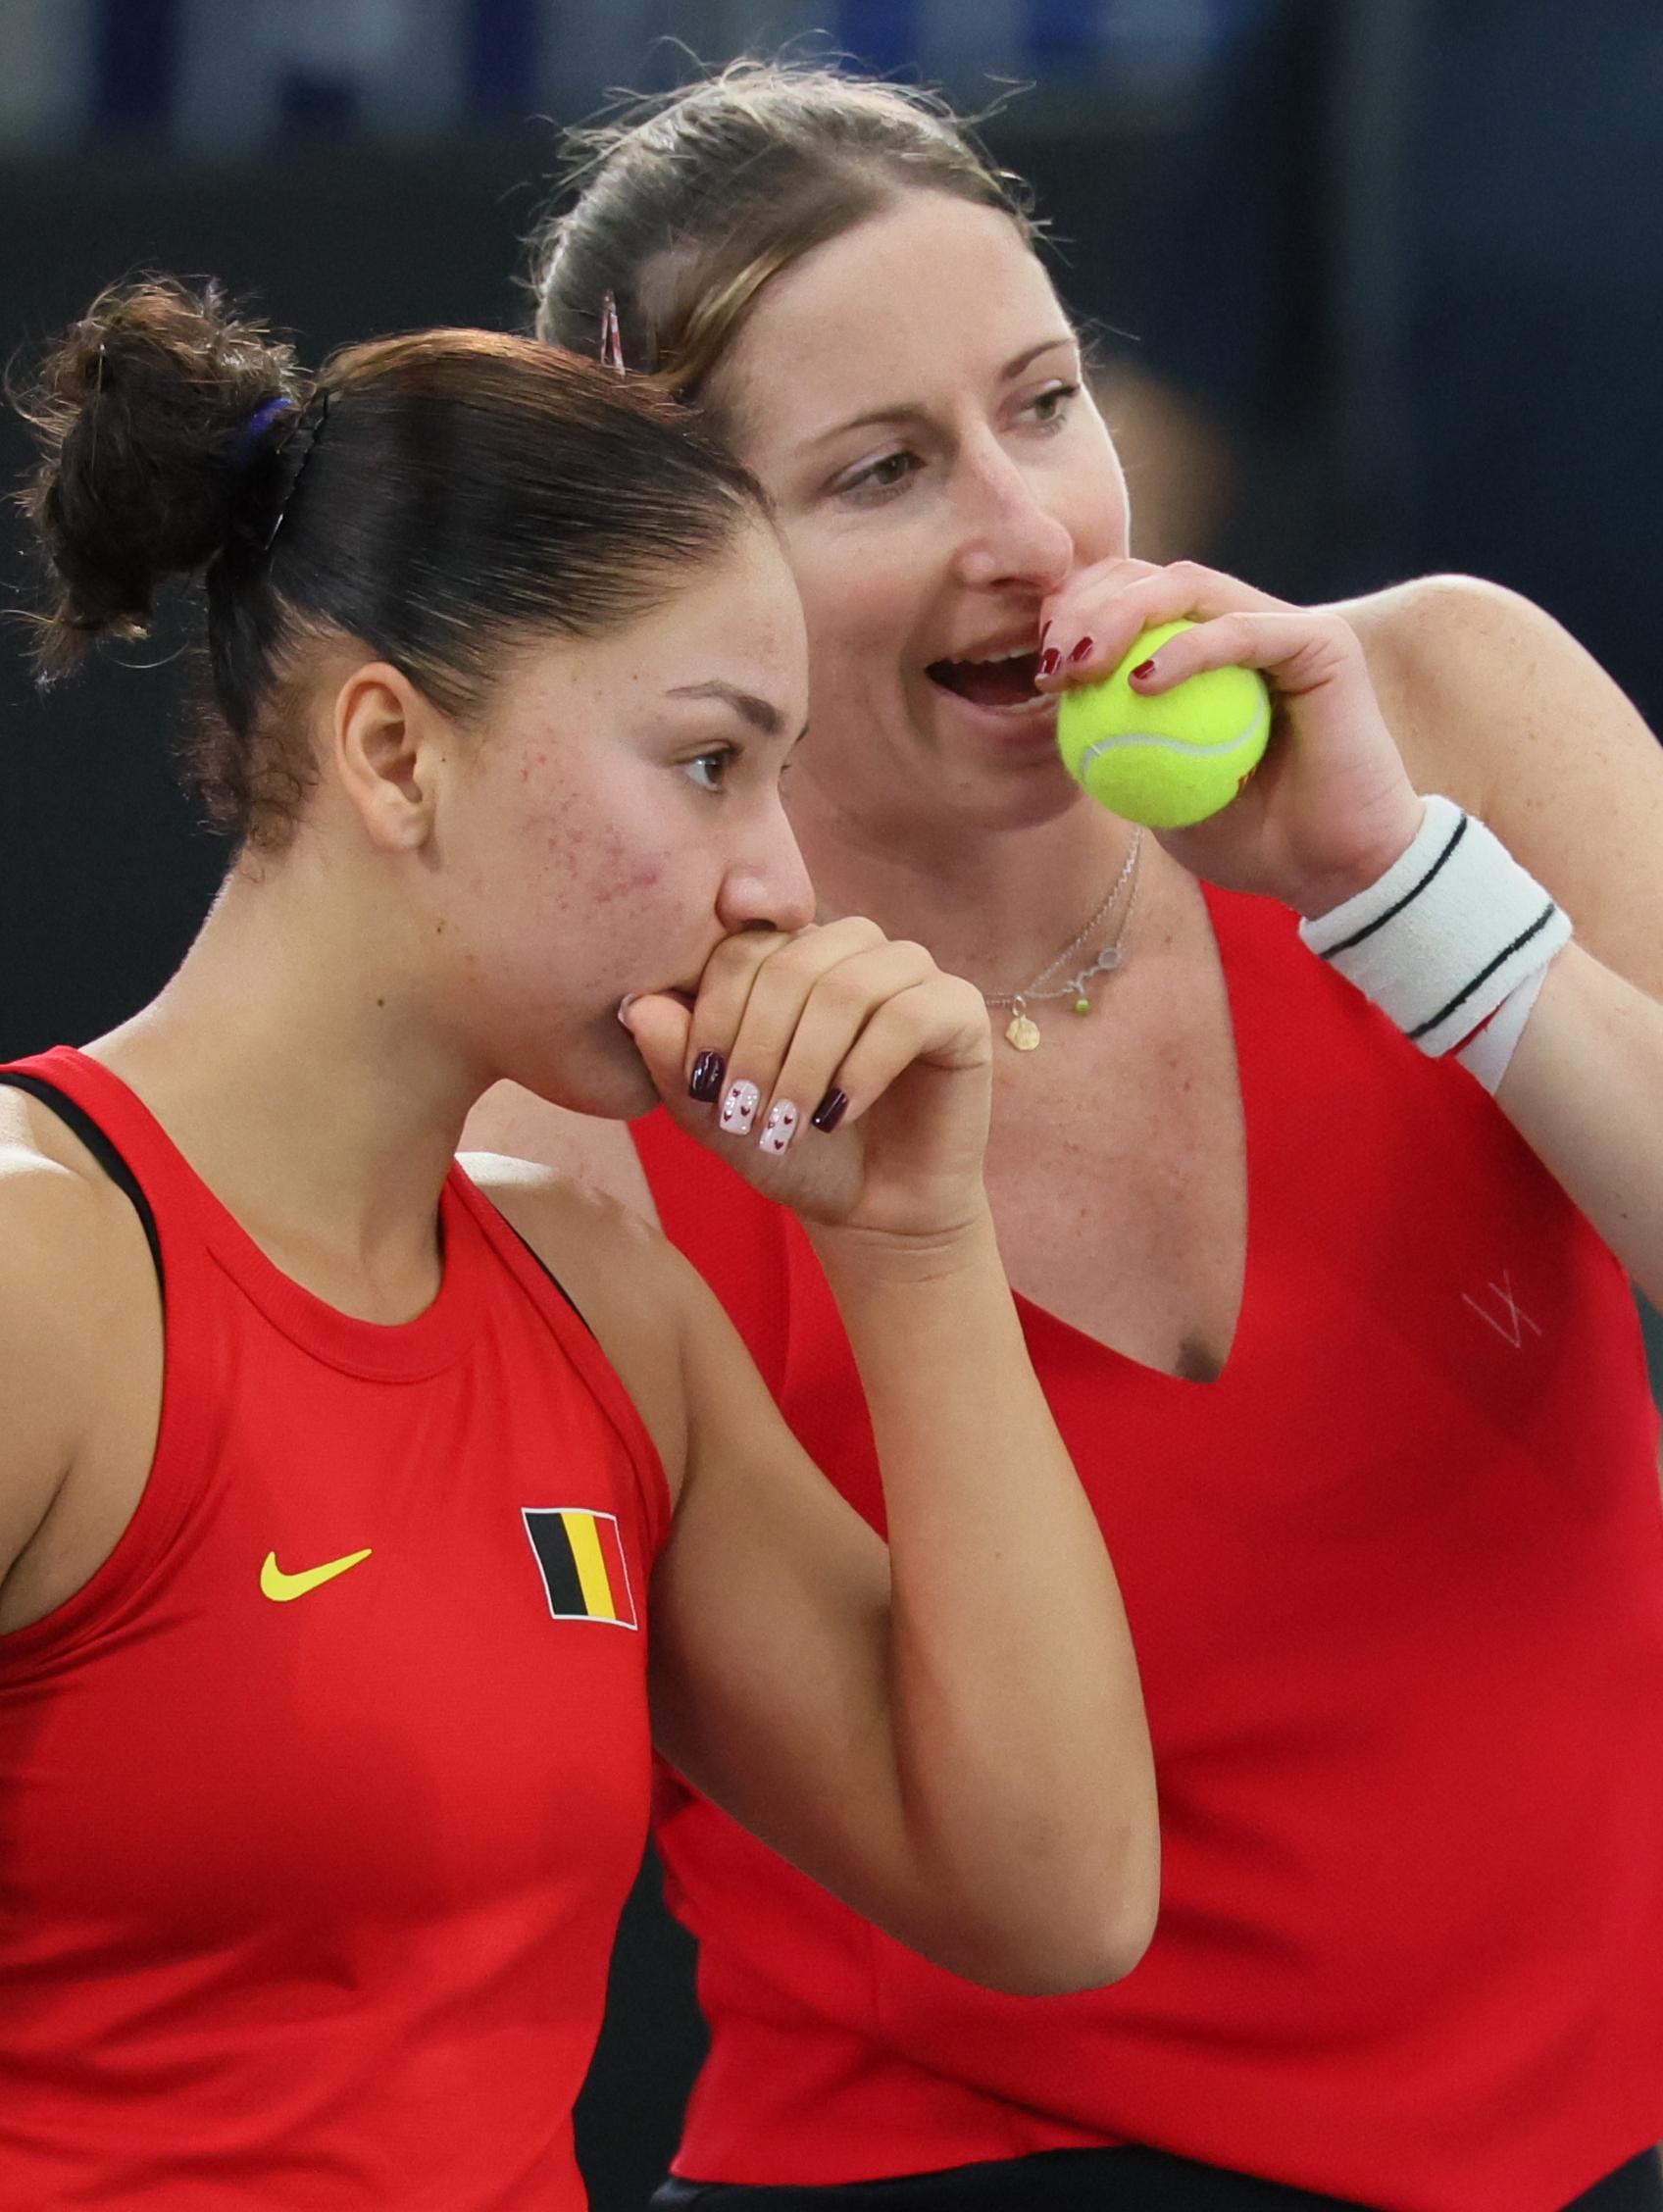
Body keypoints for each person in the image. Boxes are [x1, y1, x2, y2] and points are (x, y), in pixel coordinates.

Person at [467, 60, 1663, 2212]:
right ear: (669, 572)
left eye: (1040, 405)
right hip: (955, 2166)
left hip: (1598, 2137)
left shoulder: (1451, 701)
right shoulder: (571, 1105)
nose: (1026, 537)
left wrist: (1406, 902)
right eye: (880, 472)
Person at [0, 277, 1164, 2210]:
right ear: (390, 753)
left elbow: (1052, 1896)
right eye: (709, 761)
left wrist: (915, 1238)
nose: (777, 879)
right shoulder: (39, 1283)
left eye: (777, 777)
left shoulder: (602, 1307)